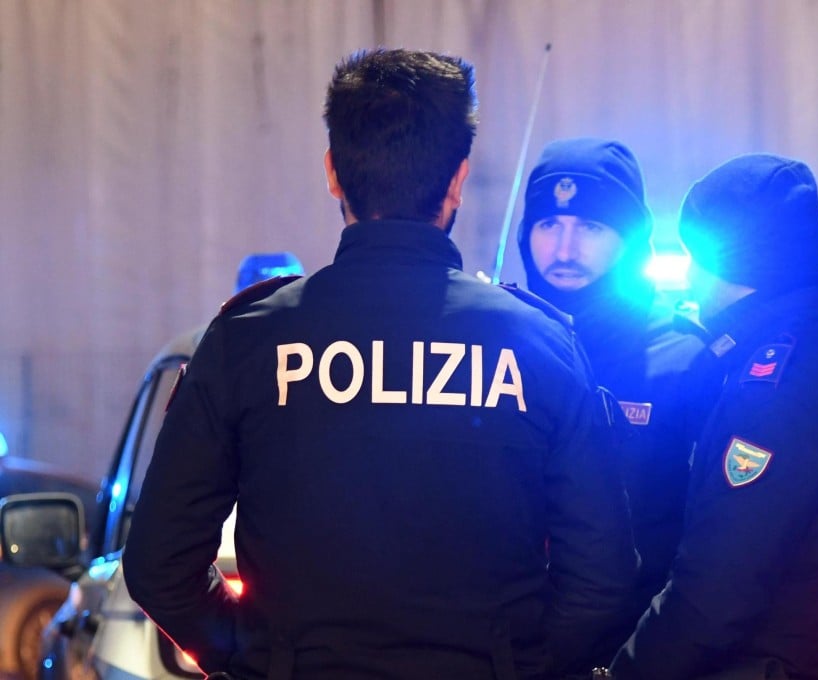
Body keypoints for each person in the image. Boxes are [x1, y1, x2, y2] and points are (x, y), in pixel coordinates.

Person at [122, 48, 637, 680]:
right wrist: (515, 662)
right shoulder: (541, 346)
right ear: (457, 180)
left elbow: (157, 561)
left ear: (333, 172)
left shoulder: (249, 338)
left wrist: (248, 647)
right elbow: (602, 580)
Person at [610, 153, 818, 679]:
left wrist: (622, 674)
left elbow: (714, 596)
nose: (686, 273)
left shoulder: (775, 394)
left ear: (735, 259)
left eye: (693, 252)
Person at [516, 137, 705, 661]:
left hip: (638, 652)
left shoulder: (684, 355)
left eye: (592, 227)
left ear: (631, 239)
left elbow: (715, 546)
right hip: (514, 654)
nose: (565, 249)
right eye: (549, 225)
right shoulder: (499, 341)